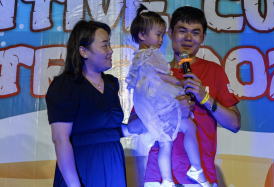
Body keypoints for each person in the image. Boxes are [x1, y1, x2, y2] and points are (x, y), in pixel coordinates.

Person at [135, 6, 241, 187]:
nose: (188, 38)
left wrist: (205, 98)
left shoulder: (214, 71)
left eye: (195, 33)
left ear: (203, 38)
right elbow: (134, 125)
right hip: (159, 176)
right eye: (182, 31)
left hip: (200, 176)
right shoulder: (155, 71)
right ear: (170, 33)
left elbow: (234, 124)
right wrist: (171, 110)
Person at [126, 4, 210, 187]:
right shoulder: (150, 55)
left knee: (166, 143)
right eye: (158, 34)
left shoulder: (139, 58)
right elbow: (161, 76)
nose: (161, 40)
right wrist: (179, 82)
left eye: (162, 35)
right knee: (189, 127)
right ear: (142, 35)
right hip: (160, 102)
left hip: (151, 102)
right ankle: (195, 168)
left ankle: (167, 180)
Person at [45, 20, 135, 187]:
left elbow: (108, 131)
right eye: (104, 45)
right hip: (84, 169)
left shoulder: (111, 83)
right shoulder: (65, 86)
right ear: (83, 52)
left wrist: (134, 128)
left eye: (110, 45)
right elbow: (60, 139)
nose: (111, 51)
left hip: (113, 167)